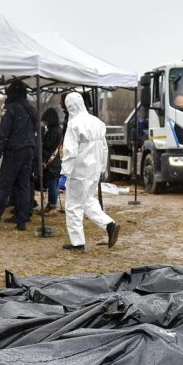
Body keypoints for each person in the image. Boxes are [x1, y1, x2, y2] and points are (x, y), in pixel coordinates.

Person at [61, 92, 119, 250]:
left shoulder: (73, 124)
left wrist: (64, 174)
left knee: (73, 206)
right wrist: (102, 167)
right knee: (87, 201)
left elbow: (70, 152)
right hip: (94, 171)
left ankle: (77, 242)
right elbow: (105, 148)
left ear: (69, 107)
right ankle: (109, 225)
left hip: (78, 172)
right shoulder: (97, 122)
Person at [0, 80, 37, 231]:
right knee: (24, 185)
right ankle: (22, 220)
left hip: (14, 151)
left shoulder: (11, 108)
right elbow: (37, 131)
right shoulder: (30, 108)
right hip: (28, 150)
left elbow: (3, 132)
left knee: (4, 186)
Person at [39, 107, 64, 212]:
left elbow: (48, 146)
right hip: (55, 160)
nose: (45, 123)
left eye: (46, 120)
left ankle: (52, 204)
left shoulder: (53, 131)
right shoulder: (57, 129)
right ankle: (51, 203)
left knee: (52, 183)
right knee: (53, 183)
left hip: (52, 161)